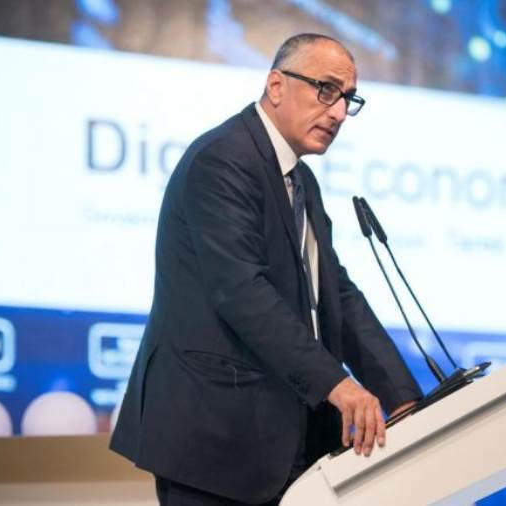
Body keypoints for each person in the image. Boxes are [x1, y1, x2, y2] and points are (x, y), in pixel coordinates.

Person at [110, 33, 422, 506]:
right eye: (327, 90)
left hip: (281, 440)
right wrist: (337, 384)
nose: (339, 112)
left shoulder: (302, 181)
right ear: (276, 85)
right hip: (214, 442)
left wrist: (402, 397)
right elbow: (242, 291)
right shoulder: (222, 159)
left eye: (348, 99)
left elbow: (335, 294)